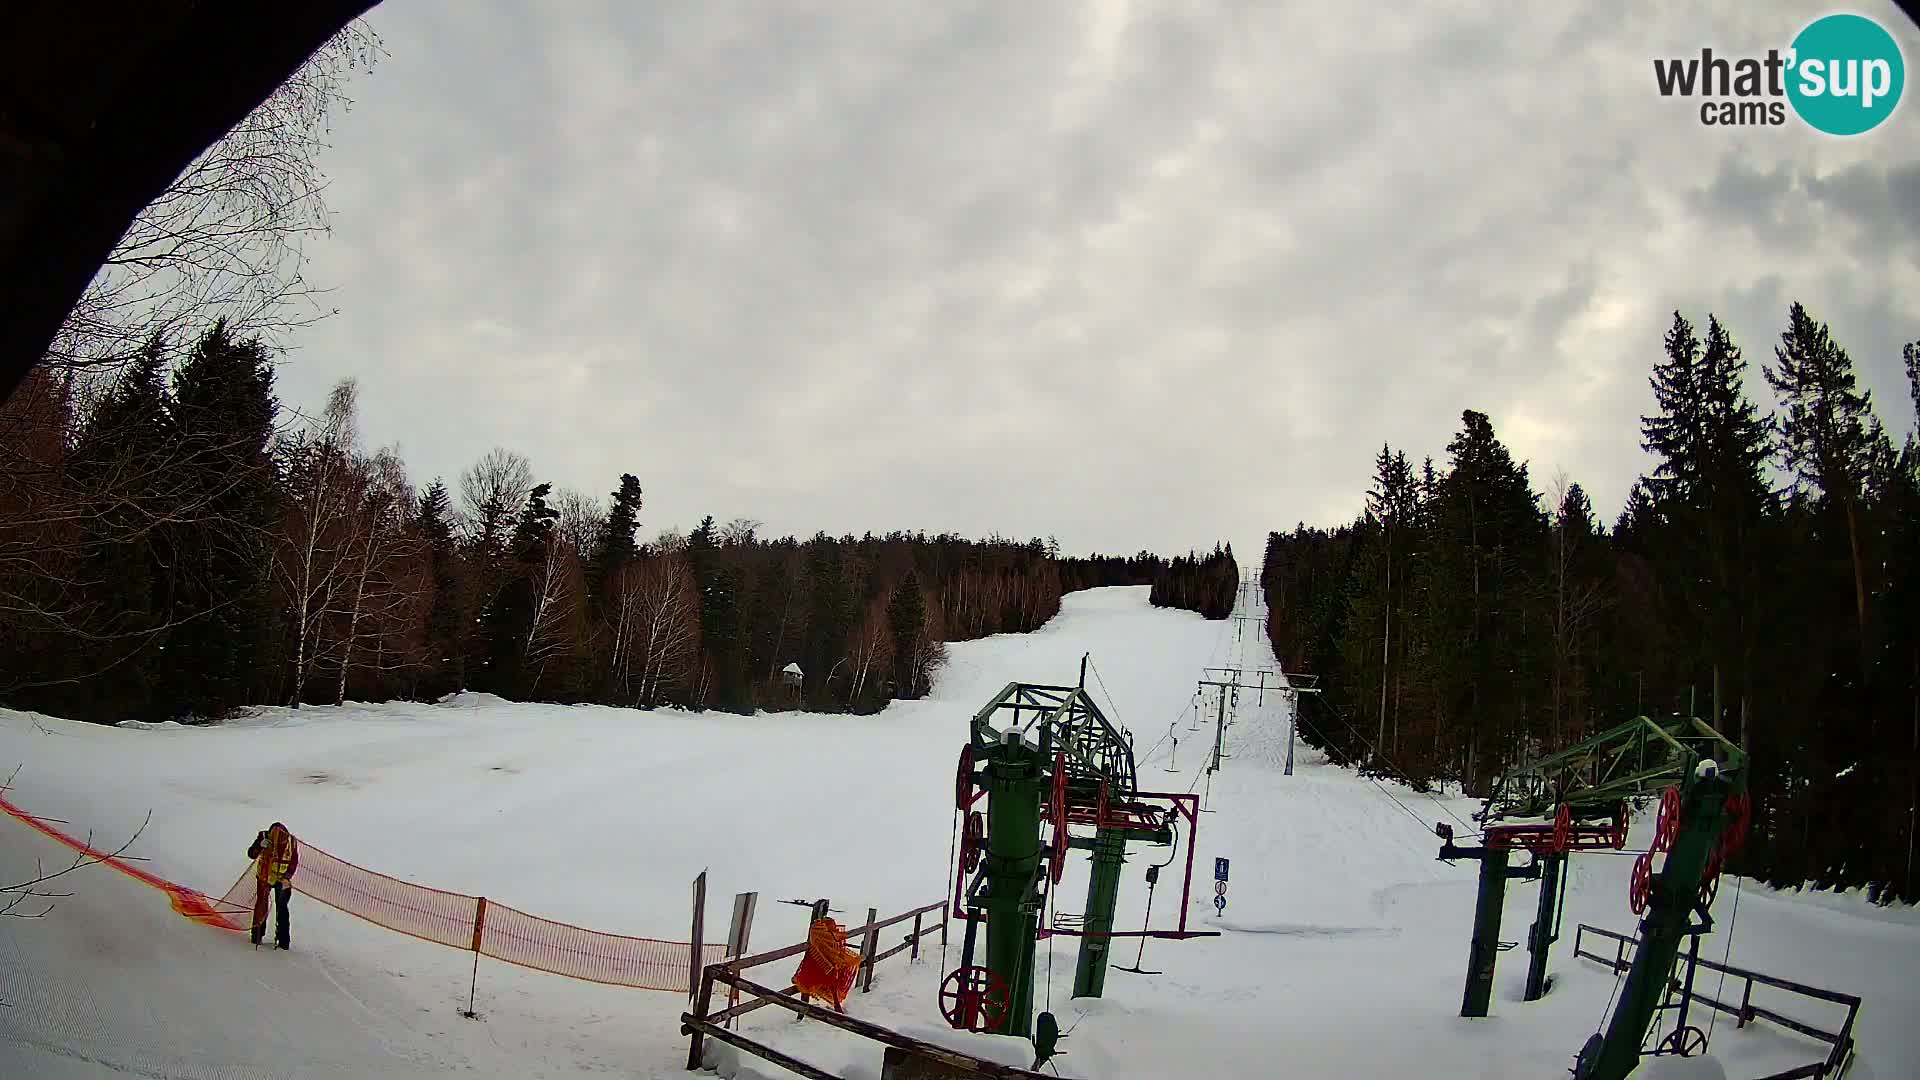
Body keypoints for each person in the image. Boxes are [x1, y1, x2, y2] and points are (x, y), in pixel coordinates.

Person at [246, 822, 299, 949]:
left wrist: (286, 878)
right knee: (261, 905)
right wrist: (259, 846)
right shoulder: (263, 836)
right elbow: (251, 854)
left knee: (282, 908)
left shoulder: (292, 842)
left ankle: (283, 942)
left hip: (282, 879)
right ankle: (256, 936)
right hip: (264, 877)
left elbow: (293, 862)